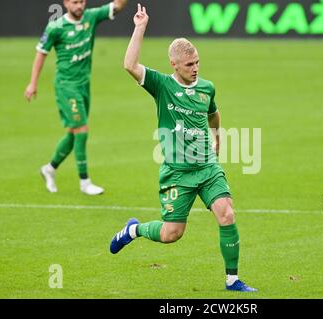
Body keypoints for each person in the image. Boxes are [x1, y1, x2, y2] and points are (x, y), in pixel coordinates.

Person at [109, 4, 257, 292]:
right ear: (173, 65)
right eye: (189, 65)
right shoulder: (162, 86)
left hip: (207, 167)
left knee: (226, 213)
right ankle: (133, 229)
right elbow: (130, 65)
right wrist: (140, 27)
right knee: (171, 234)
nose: (196, 68)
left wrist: (217, 137)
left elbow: (214, 113)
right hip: (178, 173)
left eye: (198, 62)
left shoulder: (207, 88)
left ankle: (232, 280)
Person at [25, 0, 128, 195]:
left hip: (84, 86)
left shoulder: (91, 16)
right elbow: (41, 53)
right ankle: (84, 182)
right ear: (65, 3)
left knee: (74, 134)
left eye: (82, 1)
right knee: (82, 130)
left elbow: (118, 6)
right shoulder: (55, 26)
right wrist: (33, 83)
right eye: (75, 2)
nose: (79, 5)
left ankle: (50, 169)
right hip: (66, 86)